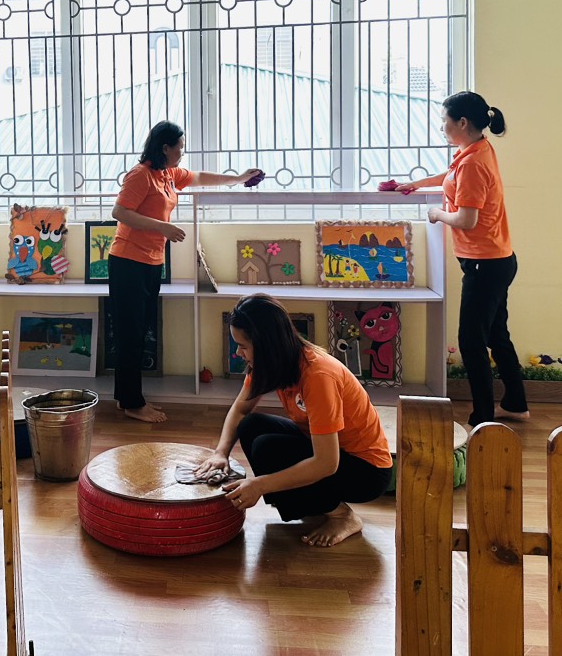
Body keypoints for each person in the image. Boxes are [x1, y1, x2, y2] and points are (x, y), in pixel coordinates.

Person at [195, 294, 392, 546]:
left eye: (243, 346)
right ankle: (313, 501)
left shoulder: (318, 375)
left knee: (267, 448)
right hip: (330, 451)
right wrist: (220, 453)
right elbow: (241, 410)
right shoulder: (272, 362)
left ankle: (342, 515)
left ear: (267, 345)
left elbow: (326, 463)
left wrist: (260, 485)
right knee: (251, 426)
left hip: (366, 472)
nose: (238, 352)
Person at [109, 121, 259, 423]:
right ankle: (132, 403)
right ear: (165, 147)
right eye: (180, 147)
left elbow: (200, 177)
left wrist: (239, 178)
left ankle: (127, 398)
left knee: (139, 332)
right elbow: (120, 212)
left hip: (151, 263)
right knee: (130, 334)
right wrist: (163, 227)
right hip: (128, 263)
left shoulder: (167, 174)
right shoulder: (141, 175)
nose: (182, 152)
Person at [396, 91, 525, 426]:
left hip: (485, 264)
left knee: (471, 342)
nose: (442, 127)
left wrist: (437, 214)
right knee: (496, 334)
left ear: (462, 122)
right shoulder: (476, 150)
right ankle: (515, 403)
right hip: (496, 259)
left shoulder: (472, 163)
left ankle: (482, 418)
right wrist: (414, 184)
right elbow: (450, 178)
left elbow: (466, 219)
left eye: (444, 121)